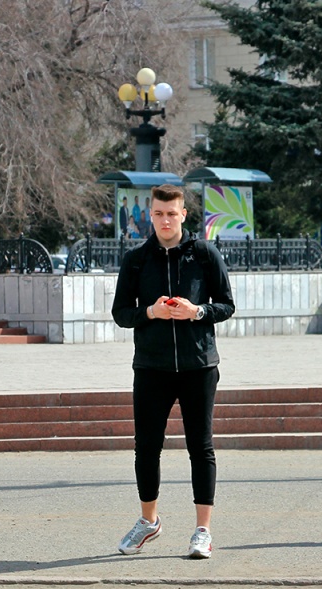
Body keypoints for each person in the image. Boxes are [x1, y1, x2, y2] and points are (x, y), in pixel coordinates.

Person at [111, 184, 236, 559]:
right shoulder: (136, 259)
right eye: (159, 213)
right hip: (151, 367)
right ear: (150, 215)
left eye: (172, 213)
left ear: (184, 214)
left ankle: (202, 530)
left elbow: (227, 305)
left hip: (199, 366)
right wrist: (151, 312)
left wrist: (196, 311)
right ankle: (149, 522)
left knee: (201, 446)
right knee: (147, 446)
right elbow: (121, 314)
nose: (166, 220)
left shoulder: (203, 255)